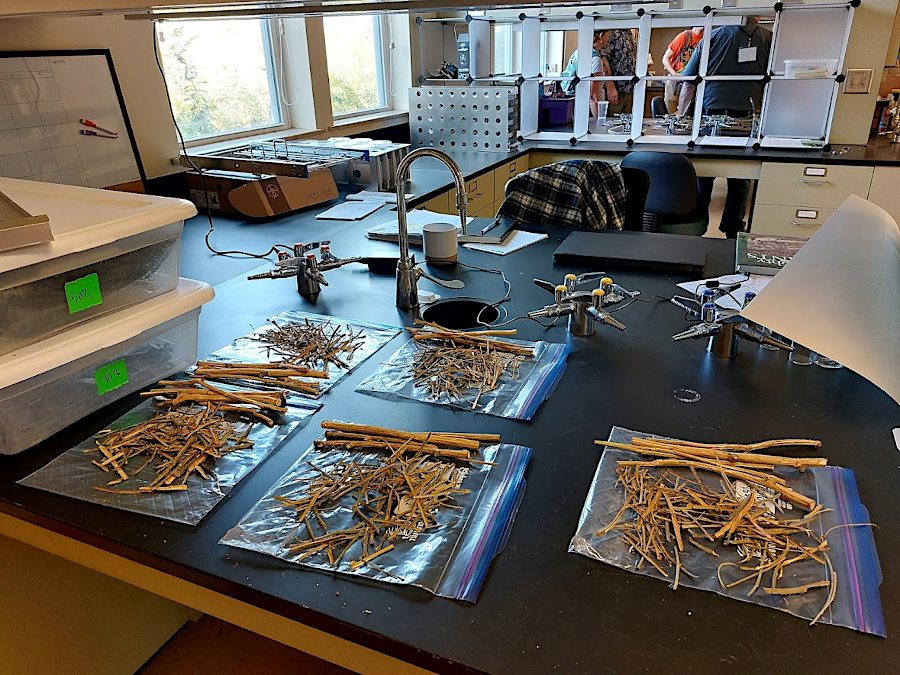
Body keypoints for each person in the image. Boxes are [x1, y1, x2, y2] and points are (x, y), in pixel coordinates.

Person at [678, 17, 772, 238]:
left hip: (710, 117)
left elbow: (688, 83)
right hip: (747, 120)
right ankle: (733, 229)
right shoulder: (768, 38)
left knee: (703, 175)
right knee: (740, 180)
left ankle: (697, 224)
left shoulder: (712, 36)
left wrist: (682, 118)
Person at [561, 31, 610, 118]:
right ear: (601, 35)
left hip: (575, 108)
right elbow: (593, 96)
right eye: (608, 33)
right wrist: (598, 122)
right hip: (587, 111)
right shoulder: (595, 59)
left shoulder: (578, 52)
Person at [662, 27, 704, 114]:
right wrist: (674, 74)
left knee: (687, 112)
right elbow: (665, 58)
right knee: (671, 111)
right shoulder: (684, 36)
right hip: (676, 81)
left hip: (693, 82)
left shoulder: (706, 39)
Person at [600, 29, 637, 116]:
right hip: (615, 88)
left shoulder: (628, 32)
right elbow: (603, 60)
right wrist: (610, 86)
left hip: (629, 87)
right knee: (611, 122)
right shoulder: (611, 32)